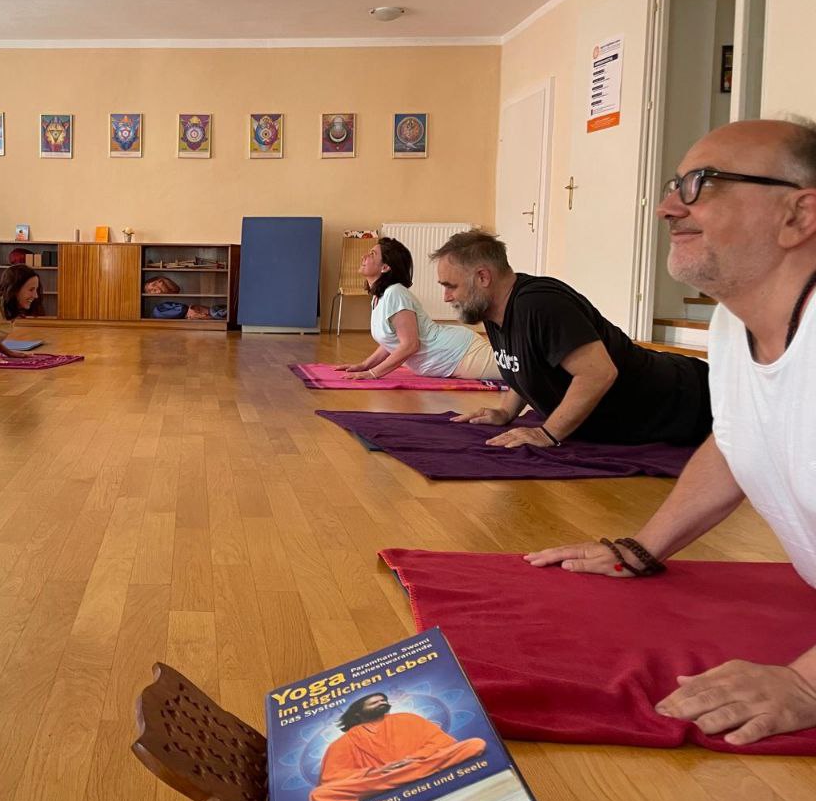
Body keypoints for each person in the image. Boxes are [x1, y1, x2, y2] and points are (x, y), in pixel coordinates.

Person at [525, 117, 816, 745]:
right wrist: (642, 548)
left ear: (798, 215)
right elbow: (735, 441)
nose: (667, 207)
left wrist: (807, 684)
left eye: (701, 183)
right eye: (673, 185)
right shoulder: (732, 326)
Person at [430, 229, 711, 448]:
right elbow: (523, 366)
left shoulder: (539, 304)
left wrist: (548, 433)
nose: (446, 297)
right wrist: (505, 413)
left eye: (450, 286)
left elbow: (598, 373)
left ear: (482, 277)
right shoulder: (494, 311)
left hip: (692, 400)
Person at [334, 238, 501, 381]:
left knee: (514, 371)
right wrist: (364, 365)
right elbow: (391, 342)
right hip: (449, 358)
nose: (364, 256)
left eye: (372, 254)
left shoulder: (395, 293)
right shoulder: (379, 297)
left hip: (459, 352)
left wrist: (373, 373)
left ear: (385, 267)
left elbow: (410, 345)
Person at [308, 693, 487, 801]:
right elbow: (333, 777)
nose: (382, 702)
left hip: (418, 764)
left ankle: (398, 780)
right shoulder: (343, 743)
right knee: (319, 795)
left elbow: (441, 741)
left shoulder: (407, 718)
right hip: (380, 778)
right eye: (375, 702)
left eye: (383, 700)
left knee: (474, 744)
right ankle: (403, 778)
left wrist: (412, 759)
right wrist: (377, 771)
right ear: (357, 714)